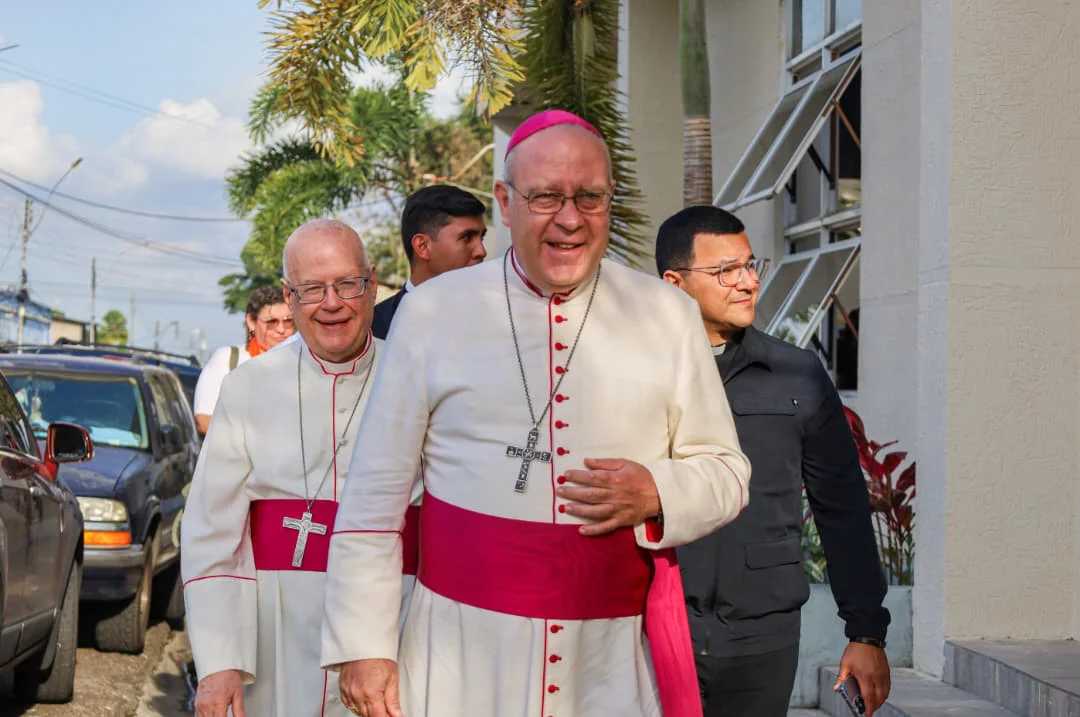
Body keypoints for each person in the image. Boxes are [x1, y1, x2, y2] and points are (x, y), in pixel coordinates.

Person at [321, 109, 752, 717]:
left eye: (590, 198)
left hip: (609, 664)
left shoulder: (666, 314)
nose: (570, 219)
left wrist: (659, 490)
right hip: (460, 658)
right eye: (546, 197)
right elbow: (374, 496)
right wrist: (364, 646)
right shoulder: (432, 312)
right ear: (505, 202)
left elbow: (727, 471)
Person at [655, 205, 891, 717]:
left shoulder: (797, 374)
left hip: (762, 640)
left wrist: (866, 631)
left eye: (749, 264)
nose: (748, 282)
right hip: (653, 633)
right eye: (726, 271)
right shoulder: (633, 372)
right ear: (675, 284)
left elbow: (842, 508)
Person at [181, 219, 384, 717]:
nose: (331, 303)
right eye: (312, 289)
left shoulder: (415, 377)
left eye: (347, 284)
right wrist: (220, 660)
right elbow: (213, 532)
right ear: (290, 298)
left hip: (391, 630)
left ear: (373, 284)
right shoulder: (248, 386)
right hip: (273, 633)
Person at [371, 184, 488, 339]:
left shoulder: (497, 319)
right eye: (467, 237)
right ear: (423, 246)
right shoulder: (373, 330)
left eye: (481, 238)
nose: (481, 251)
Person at [192, 285, 295, 434]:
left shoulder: (305, 365)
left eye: (288, 321)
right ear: (251, 322)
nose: (281, 329)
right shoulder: (228, 360)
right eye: (271, 322)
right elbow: (204, 421)